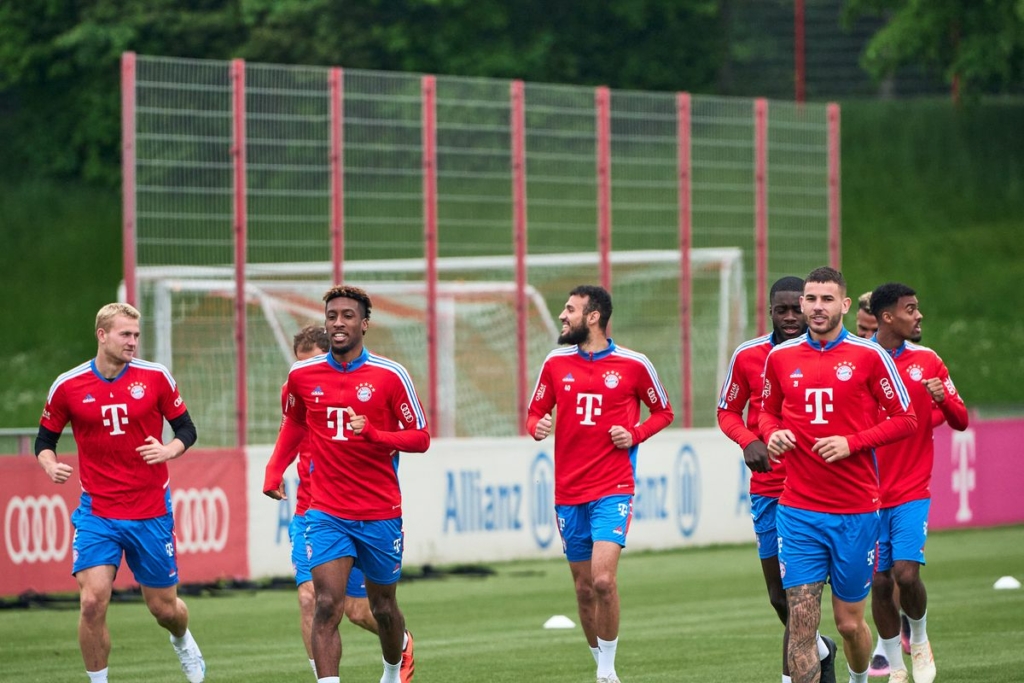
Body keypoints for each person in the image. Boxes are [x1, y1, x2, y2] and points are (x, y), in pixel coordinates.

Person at [758, 267, 918, 683]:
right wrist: (772, 434)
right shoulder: (780, 357)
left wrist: (853, 442)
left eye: (826, 299)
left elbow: (906, 419)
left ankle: (858, 677)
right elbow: (767, 412)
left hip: (855, 511)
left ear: (844, 305)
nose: (815, 307)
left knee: (849, 624)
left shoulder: (870, 357)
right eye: (811, 299)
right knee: (801, 623)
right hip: (798, 510)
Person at [263, 286, 429, 683]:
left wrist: (376, 435)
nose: (338, 322)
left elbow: (420, 437)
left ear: (365, 324)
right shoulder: (302, 375)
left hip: (379, 512)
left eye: (348, 316)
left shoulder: (391, 376)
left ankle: (393, 667)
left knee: (382, 608)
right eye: (332, 315)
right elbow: (296, 422)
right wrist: (274, 469)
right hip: (325, 511)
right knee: (323, 604)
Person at [34, 303, 205, 683]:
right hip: (98, 514)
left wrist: (168, 450)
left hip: (150, 512)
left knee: (164, 610)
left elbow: (187, 430)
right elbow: (44, 440)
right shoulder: (68, 385)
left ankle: (182, 640)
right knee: (92, 602)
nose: (133, 342)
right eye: (125, 335)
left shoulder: (156, 377)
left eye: (136, 335)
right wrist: (49, 463)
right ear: (102, 335)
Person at [526, 285, 674, 683]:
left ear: (593, 317)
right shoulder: (555, 363)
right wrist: (536, 426)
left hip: (613, 487)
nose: (562, 315)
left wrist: (636, 434)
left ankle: (607, 672)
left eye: (570, 310)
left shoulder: (634, 364)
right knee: (583, 588)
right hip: (568, 493)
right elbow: (535, 410)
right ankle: (601, 665)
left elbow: (663, 412)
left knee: (604, 580)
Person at [717, 276, 838, 683]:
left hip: (817, 488)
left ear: (808, 306)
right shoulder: (749, 355)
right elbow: (727, 411)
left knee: (801, 595)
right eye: (780, 309)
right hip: (769, 488)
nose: (790, 317)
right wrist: (749, 440)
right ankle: (821, 649)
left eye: (796, 308)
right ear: (769, 310)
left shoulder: (832, 355)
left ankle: (793, 676)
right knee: (778, 596)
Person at [867, 283, 969, 683]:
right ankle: (894, 667)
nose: (919, 315)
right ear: (888, 317)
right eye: (911, 309)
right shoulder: (861, 361)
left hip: (911, 489)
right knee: (878, 583)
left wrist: (943, 397)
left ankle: (921, 643)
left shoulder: (927, 361)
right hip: (867, 493)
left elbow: (961, 420)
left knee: (906, 575)